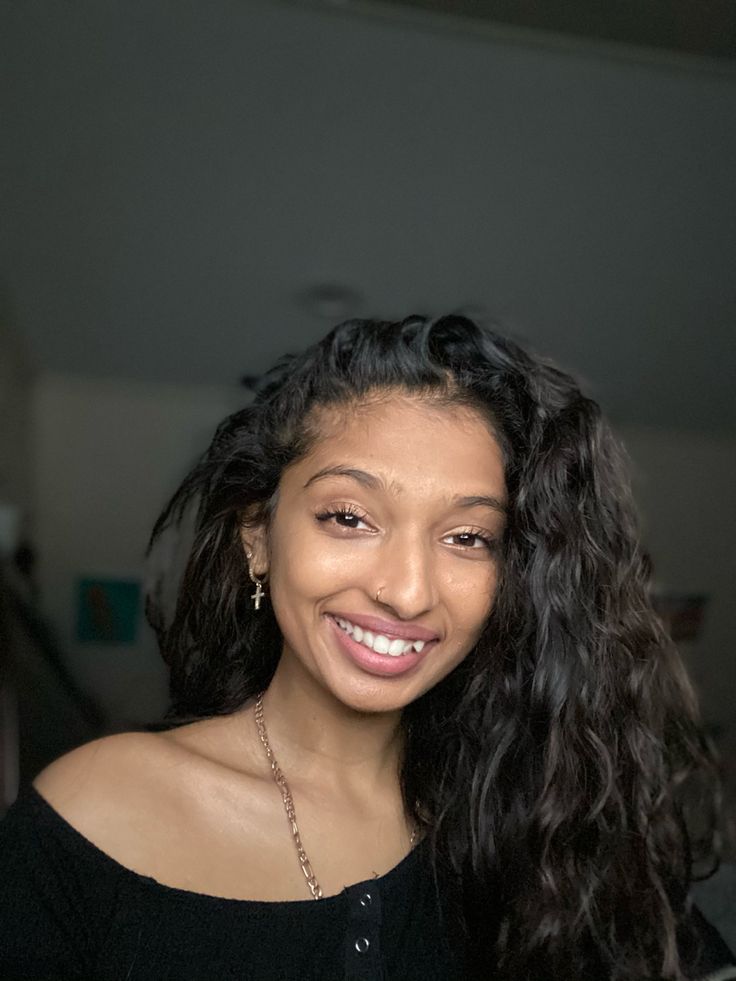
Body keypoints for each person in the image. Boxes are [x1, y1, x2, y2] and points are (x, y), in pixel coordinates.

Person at [0, 314, 734, 981]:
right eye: (349, 517)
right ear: (258, 535)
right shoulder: (94, 813)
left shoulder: (529, 811)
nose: (408, 591)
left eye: (467, 537)